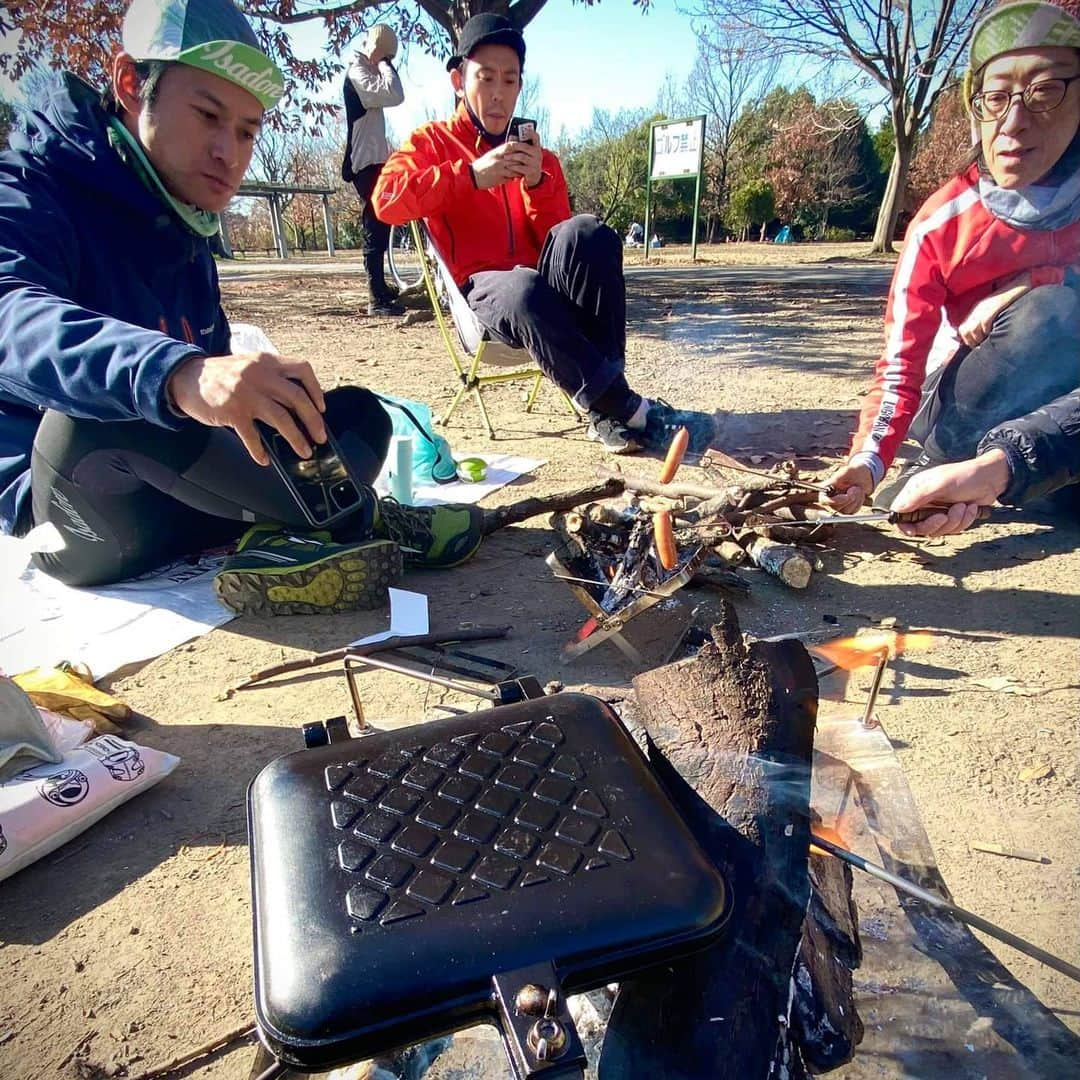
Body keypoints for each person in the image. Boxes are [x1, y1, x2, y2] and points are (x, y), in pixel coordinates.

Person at [0, 0, 484, 612]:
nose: (229, 153)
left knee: (355, 416)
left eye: (248, 131)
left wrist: (258, 394)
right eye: (208, 116)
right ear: (130, 84)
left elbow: (214, 386)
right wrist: (178, 373)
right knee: (116, 403)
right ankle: (351, 524)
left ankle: (283, 535)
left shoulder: (180, 211)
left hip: (177, 495)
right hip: (70, 510)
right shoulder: (31, 188)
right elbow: (11, 317)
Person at [371, 13, 718, 455]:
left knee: (588, 232)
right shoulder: (432, 144)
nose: (499, 94)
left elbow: (560, 243)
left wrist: (539, 184)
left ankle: (605, 409)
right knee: (523, 285)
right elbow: (387, 200)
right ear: (459, 80)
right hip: (486, 298)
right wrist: (471, 177)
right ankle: (630, 410)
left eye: (511, 80)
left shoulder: (539, 156)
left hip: (547, 299)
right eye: (486, 78)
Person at [825, 0, 1080, 538]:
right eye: (996, 97)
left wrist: (1034, 280)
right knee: (1056, 314)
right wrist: (869, 463)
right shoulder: (943, 223)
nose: (1013, 123)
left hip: (1057, 418)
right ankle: (945, 464)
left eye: (1044, 90)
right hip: (961, 399)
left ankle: (1021, 480)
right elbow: (900, 364)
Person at [343, 24, 407, 317]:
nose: (389, 62)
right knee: (373, 221)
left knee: (381, 222)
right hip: (363, 162)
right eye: (388, 55)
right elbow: (394, 94)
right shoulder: (358, 72)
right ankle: (375, 297)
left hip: (376, 160)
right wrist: (382, 61)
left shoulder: (366, 72)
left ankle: (380, 289)